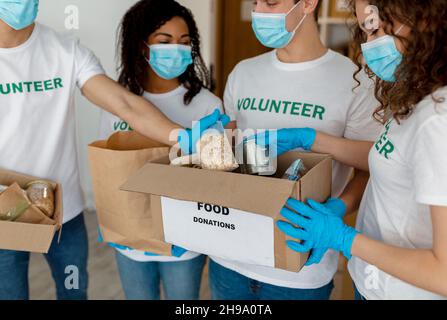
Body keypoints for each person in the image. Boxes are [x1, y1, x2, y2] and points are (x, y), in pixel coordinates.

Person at [0, 0, 225, 300]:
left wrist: (183, 137)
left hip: (65, 213)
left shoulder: (66, 50)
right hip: (4, 212)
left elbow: (125, 104)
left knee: (74, 292)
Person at [273, 0, 447, 300]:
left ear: (423, 20)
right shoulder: (419, 98)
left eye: (375, 27)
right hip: (372, 283)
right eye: (364, 32)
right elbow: (394, 160)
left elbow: (443, 274)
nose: (368, 45)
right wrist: (310, 138)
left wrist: (343, 238)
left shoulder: (437, 120)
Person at [209, 0, 381, 300]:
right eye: (255, 3)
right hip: (228, 259)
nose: (260, 11)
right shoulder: (242, 73)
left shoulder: (354, 81)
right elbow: (230, 156)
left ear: (308, 4)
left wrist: (338, 208)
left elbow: (370, 167)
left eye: (272, 2)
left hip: (298, 269)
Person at [98, 0, 222, 300]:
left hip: (184, 242)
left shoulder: (207, 106)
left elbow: (220, 178)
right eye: (164, 42)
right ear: (142, 46)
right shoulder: (120, 103)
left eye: (184, 43)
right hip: (131, 238)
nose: (176, 50)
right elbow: (106, 165)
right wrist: (111, 220)